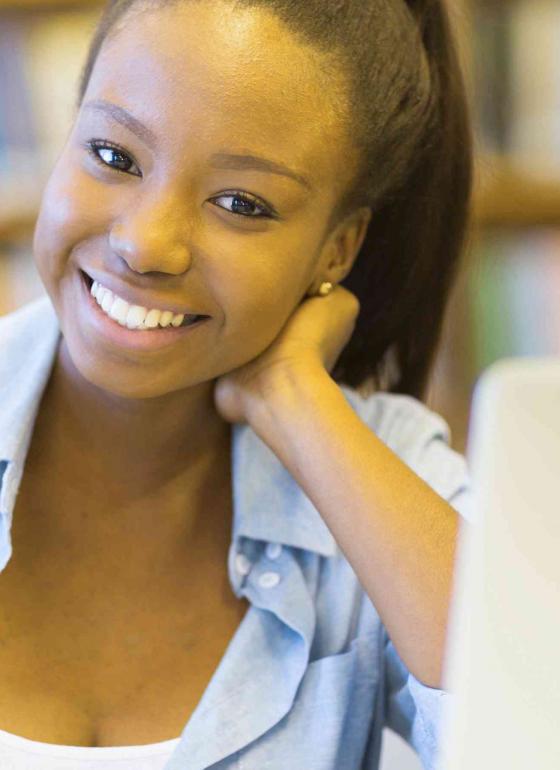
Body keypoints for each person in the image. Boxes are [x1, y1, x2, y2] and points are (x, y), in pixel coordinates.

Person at [0, 0, 474, 768]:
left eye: (240, 204)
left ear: (336, 250)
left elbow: (554, 723)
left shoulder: (381, 469)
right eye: (115, 156)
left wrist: (294, 395)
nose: (146, 244)